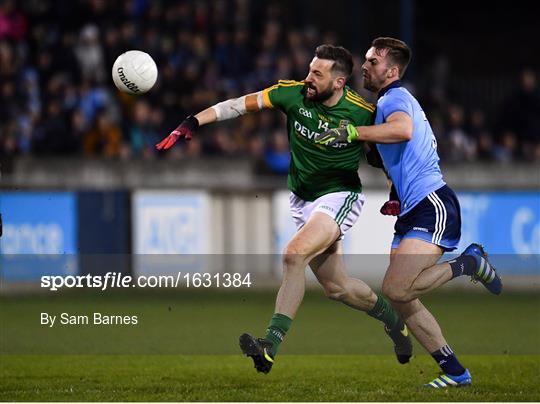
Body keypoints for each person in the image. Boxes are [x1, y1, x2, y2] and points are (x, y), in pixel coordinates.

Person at [156, 44, 412, 374]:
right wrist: (193, 121)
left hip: (339, 195)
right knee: (338, 287)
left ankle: (270, 345)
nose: (308, 78)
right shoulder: (291, 94)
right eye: (309, 70)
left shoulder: (362, 112)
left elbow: (389, 154)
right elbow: (238, 106)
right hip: (302, 199)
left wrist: (395, 190)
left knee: (293, 255)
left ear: (338, 82)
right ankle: (394, 323)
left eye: (316, 74)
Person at [315, 37, 502, 388]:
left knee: (396, 289)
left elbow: (403, 131)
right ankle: (455, 371)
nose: (366, 66)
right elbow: (404, 152)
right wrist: (395, 189)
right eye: (367, 60)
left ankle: (469, 263)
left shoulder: (396, 97)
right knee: (402, 297)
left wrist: (353, 132)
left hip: (432, 204)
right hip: (413, 209)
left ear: (392, 70)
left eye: (373, 61)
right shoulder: (388, 101)